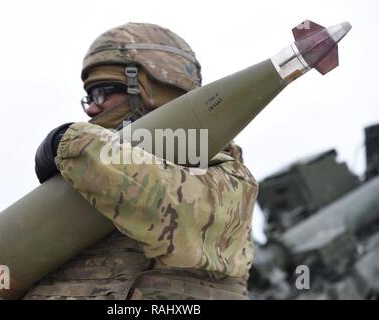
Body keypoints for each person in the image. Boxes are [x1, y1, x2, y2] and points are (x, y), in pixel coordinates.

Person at [25, 22, 258, 300]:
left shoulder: (228, 177)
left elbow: (166, 203)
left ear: (152, 92)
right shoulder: (89, 178)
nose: (91, 108)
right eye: (88, 96)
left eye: (103, 91)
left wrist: (70, 142)